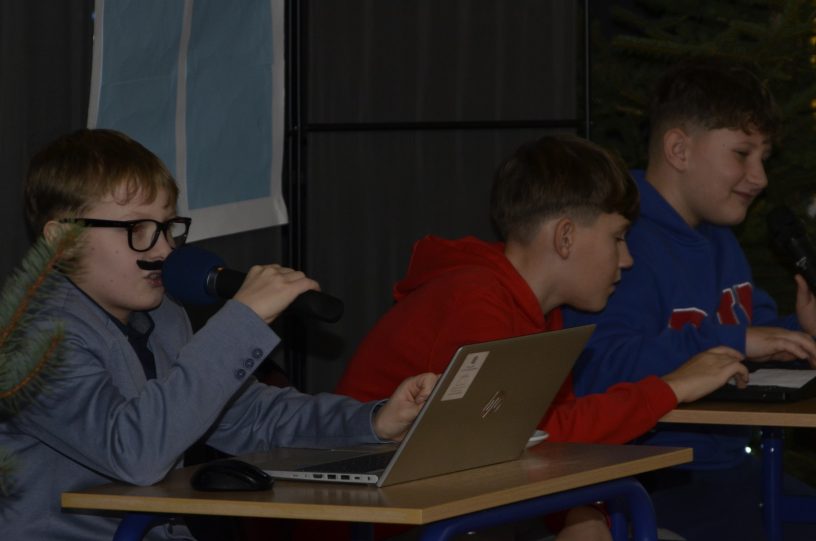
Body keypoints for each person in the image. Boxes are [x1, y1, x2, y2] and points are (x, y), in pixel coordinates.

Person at [0, 128, 437, 541]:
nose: (164, 249)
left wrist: (372, 421)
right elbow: (135, 452)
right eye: (137, 229)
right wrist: (242, 323)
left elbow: (250, 416)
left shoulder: (165, 316)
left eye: (168, 227)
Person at [335, 134, 749, 541]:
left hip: (454, 513)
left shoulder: (541, 312)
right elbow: (524, 439)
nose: (627, 259)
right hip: (383, 524)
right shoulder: (474, 298)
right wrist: (672, 388)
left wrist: (578, 514)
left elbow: (537, 444)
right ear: (565, 237)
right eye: (618, 238)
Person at [563, 58, 816, 540]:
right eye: (742, 154)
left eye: (763, 157)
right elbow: (599, 367)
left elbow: (753, 336)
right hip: (657, 479)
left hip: (734, 472)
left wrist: (800, 331)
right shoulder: (620, 241)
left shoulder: (719, 236)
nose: (760, 177)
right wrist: (734, 342)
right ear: (679, 149)